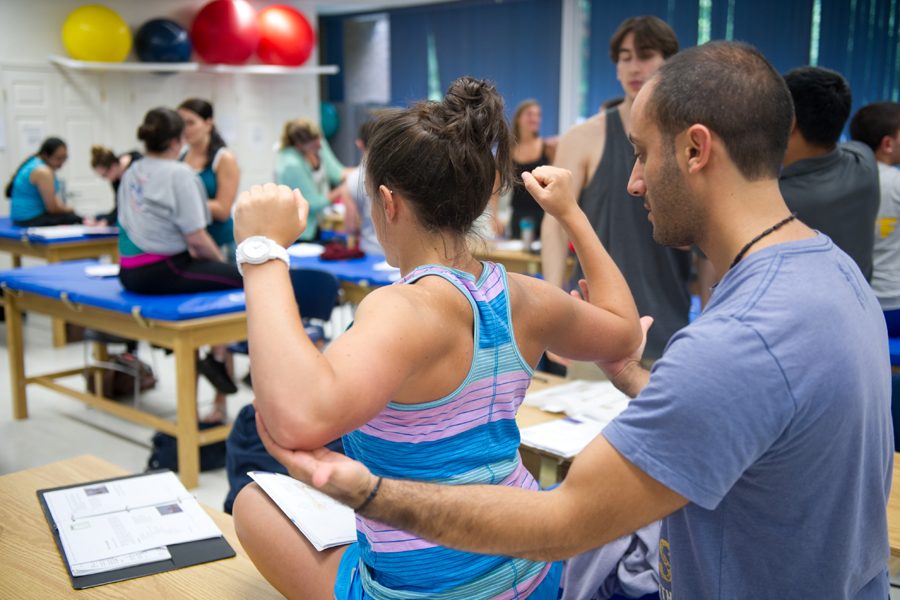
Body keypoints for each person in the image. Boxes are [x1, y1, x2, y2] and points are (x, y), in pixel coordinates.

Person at [253, 42, 894, 600]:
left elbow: (563, 521)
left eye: (641, 155)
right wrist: (635, 375)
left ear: (697, 150)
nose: (634, 182)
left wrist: (368, 492)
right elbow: (743, 408)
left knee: (255, 502)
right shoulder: (826, 269)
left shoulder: (740, 340)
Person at [230, 76, 643, 600]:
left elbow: (294, 419)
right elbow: (624, 330)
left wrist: (262, 251)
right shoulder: (523, 296)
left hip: (425, 589)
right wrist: (570, 213)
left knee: (251, 501)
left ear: (388, 202)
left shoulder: (402, 307)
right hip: (537, 576)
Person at [541, 15, 689, 368]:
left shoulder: (690, 138)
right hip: (596, 326)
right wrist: (549, 310)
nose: (634, 66)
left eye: (646, 54)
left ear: (669, 61)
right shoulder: (584, 137)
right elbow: (554, 224)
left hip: (669, 323)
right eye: (625, 57)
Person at [118, 107, 243, 422]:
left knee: (218, 280)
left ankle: (216, 356)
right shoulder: (179, 173)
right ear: (177, 140)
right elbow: (197, 240)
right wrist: (224, 266)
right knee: (242, 278)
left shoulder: (132, 169)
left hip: (129, 272)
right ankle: (218, 357)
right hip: (164, 269)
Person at [850, 101, 900, 335]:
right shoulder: (896, 183)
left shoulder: (843, 181)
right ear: (887, 144)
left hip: (857, 306)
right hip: (894, 308)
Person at [177, 99, 240, 254]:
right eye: (181, 123)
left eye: (190, 123)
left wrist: (181, 203)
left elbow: (223, 210)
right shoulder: (181, 157)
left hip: (220, 244)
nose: (185, 129)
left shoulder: (224, 158)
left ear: (208, 124)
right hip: (191, 245)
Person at [276, 117, 345, 242]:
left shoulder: (318, 143)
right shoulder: (291, 165)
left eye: (320, 140)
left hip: (317, 224)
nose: (320, 146)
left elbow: (337, 172)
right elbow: (313, 203)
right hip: (300, 232)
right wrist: (345, 188)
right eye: (314, 145)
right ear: (298, 146)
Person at [507, 99, 557, 239]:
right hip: (518, 212)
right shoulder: (509, 150)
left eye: (537, 115)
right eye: (530, 114)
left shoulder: (547, 147)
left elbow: (558, 177)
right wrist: (494, 214)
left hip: (542, 212)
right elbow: (495, 183)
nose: (534, 118)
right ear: (518, 119)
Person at [5, 138, 83, 226]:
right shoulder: (43, 171)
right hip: (30, 219)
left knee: (70, 216)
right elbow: (53, 209)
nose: (62, 162)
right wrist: (69, 209)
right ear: (45, 155)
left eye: (65, 157)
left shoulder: (33, 163)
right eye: (58, 158)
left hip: (20, 219)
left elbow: (53, 200)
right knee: (75, 218)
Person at [335, 119, 384, 256]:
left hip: (371, 250)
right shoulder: (401, 175)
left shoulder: (352, 180)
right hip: (402, 255)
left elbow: (349, 227)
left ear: (359, 144)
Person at [90, 144, 143, 225]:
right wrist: (104, 221)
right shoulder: (115, 179)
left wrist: (105, 222)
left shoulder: (138, 164)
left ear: (113, 167)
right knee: (99, 217)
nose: (106, 179)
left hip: (141, 212)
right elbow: (119, 204)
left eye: (105, 175)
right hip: (129, 212)